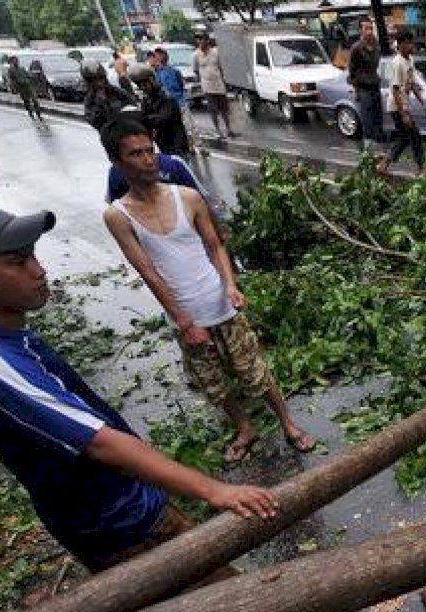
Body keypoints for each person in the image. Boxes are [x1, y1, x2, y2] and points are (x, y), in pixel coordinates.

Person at [0, 195, 279, 573]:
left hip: (123, 499)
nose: (38, 270)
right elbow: (100, 443)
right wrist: (216, 490)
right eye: (18, 263)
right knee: (226, 602)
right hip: (119, 524)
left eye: (32, 255)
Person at [101, 119, 315, 463]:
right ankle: (244, 428)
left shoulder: (187, 197)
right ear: (118, 163)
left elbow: (215, 246)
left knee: (255, 371)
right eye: (136, 154)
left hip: (220, 304)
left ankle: (288, 423)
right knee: (212, 383)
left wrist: (230, 285)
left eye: (149, 151)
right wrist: (185, 323)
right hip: (186, 317)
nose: (148, 160)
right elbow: (149, 272)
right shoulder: (118, 215)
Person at [377, 30, 426, 175]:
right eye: (408, 43)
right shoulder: (396, 63)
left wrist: (420, 97)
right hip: (396, 106)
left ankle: (384, 163)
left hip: (403, 104)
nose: (411, 45)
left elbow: (410, 81)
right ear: (400, 45)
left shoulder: (410, 59)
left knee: (405, 138)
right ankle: (421, 167)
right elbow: (395, 89)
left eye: (412, 42)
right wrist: (403, 113)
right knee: (414, 136)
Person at [127, 62, 190, 156]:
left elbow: (163, 119)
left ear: (152, 80)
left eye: (145, 83)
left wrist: (144, 118)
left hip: (176, 145)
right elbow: (144, 121)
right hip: (162, 145)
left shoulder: (166, 97)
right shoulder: (147, 100)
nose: (143, 87)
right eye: (140, 85)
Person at [348, 18, 385, 154]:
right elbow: (351, 71)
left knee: (378, 119)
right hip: (363, 88)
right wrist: (356, 90)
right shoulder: (356, 48)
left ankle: (379, 152)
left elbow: (378, 65)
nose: (369, 31)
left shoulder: (376, 45)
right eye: (366, 29)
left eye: (371, 28)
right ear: (361, 30)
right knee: (367, 121)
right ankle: (368, 153)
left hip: (375, 86)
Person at [193, 34, 235, 138]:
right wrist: (203, 78)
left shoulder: (216, 52)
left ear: (207, 41)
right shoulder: (196, 55)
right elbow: (196, 70)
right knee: (213, 110)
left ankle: (229, 129)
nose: (200, 42)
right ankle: (217, 130)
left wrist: (224, 80)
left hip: (219, 84)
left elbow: (221, 67)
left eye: (202, 40)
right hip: (207, 86)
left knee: (224, 109)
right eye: (198, 40)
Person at [81, 58, 137, 131]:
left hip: (131, 130)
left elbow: (133, 103)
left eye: (101, 78)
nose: (99, 83)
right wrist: (101, 104)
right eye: (94, 80)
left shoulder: (116, 91)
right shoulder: (90, 100)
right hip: (111, 135)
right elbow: (93, 121)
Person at [6, 55, 43, 121]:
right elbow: (11, 80)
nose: (16, 62)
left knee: (35, 100)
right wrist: (14, 89)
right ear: (12, 62)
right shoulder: (11, 70)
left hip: (28, 86)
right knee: (26, 101)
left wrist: (33, 75)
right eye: (14, 61)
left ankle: (39, 114)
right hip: (21, 88)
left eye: (17, 61)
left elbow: (28, 75)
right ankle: (30, 113)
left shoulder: (22, 68)